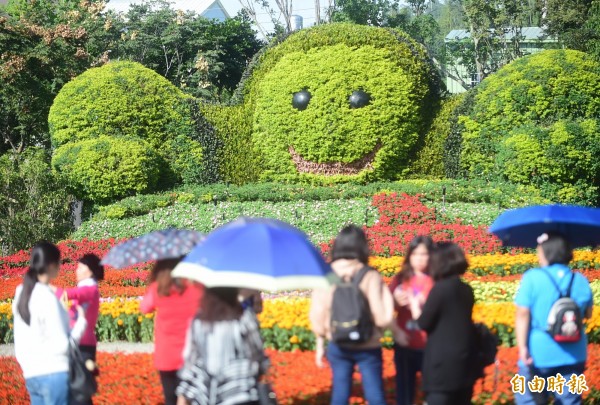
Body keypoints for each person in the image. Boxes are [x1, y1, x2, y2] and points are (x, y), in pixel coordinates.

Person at [310, 225, 394, 405]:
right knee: (375, 396)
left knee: (340, 395)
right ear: (363, 246)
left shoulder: (328, 275)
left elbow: (319, 312)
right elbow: (381, 316)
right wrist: (382, 328)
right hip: (367, 343)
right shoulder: (369, 275)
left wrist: (320, 342)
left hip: (338, 341)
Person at [514, 232, 593, 405]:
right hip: (574, 354)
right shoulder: (580, 280)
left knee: (529, 400)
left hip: (538, 353)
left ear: (545, 252)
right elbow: (588, 315)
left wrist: (522, 347)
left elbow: (522, 314)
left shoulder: (532, 278)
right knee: (570, 401)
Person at [12, 241, 87, 405]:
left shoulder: (21, 293)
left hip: (32, 374)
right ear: (52, 265)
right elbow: (63, 345)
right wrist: (81, 322)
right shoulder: (47, 298)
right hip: (55, 373)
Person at [176, 287, 269, 405]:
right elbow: (258, 357)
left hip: (207, 395)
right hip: (240, 393)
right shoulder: (244, 317)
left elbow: (191, 363)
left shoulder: (199, 322)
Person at [412, 242, 474, 405]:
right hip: (465, 361)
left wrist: (415, 306)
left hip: (442, 365)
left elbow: (424, 323)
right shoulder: (466, 288)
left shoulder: (440, 289)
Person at [140, 258, 203, 405]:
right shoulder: (194, 288)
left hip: (166, 355)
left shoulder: (158, 288)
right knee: (192, 398)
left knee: (170, 398)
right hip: (191, 354)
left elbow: (144, 307)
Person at [389, 236, 435, 405]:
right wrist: (395, 302)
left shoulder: (436, 279)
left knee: (432, 392)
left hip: (430, 345)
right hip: (405, 344)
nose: (420, 258)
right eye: (416, 254)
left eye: (425, 254)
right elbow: (385, 310)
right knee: (405, 392)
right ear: (409, 256)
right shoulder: (400, 279)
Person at [54, 254, 104, 405]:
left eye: (80, 268)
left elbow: (70, 294)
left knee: (80, 394)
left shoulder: (91, 289)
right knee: (76, 392)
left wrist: (46, 287)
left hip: (84, 344)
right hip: (77, 341)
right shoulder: (85, 287)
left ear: (91, 271)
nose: (76, 271)